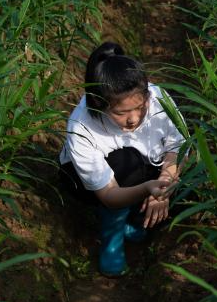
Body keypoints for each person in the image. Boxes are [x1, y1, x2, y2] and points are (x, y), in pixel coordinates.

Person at [59, 42, 188, 277]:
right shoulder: (82, 126)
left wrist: (165, 187)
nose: (134, 118)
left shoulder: (159, 100)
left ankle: (133, 221)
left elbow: (178, 147)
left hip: (149, 168)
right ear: (100, 104)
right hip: (94, 184)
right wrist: (149, 188)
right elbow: (108, 194)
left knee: (190, 192)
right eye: (121, 113)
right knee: (125, 160)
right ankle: (112, 238)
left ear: (147, 93)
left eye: (140, 107)